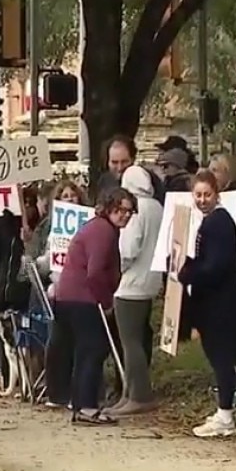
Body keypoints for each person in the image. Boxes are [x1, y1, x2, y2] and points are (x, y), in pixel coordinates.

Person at [55, 187, 133, 426]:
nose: (125, 215)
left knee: (85, 351)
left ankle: (81, 404)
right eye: (119, 210)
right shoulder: (103, 231)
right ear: (108, 208)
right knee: (93, 350)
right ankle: (87, 406)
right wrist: (106, 300)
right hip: (84, 298)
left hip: (70, 296)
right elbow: (95, 271)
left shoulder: (97, 228)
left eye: (129, 211)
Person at [179, 170, 236, 437]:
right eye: (198, 195)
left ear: (217, 194)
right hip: (212, 300)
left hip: (220, 302)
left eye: (207, 194)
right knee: (217, 356)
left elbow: (216, 265)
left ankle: (226, 414)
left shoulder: (218, 222)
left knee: (221, 358)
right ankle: (223, 409)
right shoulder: (211, 222)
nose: (203, 200)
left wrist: (190, 271)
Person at [111, 166, 163, 415]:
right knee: (137, 340)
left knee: (130, 343)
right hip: (152, 280)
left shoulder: (136, 210)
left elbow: (128, 250)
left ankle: (139, 394)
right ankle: (128, 393)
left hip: (130, 284)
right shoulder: (157, 207)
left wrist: (114, 268)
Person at [39, 179, 87, 408]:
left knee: (79, 344)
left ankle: (77, 394)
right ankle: (58, 393)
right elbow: (49, 260)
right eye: (64, 196)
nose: (69, 199)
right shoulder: (53, 229)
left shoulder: (87, 224)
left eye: (72, 195)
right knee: (58, 344)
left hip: (80, 292)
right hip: (58, 292)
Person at [97, 134, 165, 202]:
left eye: (124, 162)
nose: (119, 168)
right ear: (107, 161)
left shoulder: (147, 179)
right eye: (114, 162)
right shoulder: (104, 181)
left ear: (133, 159)